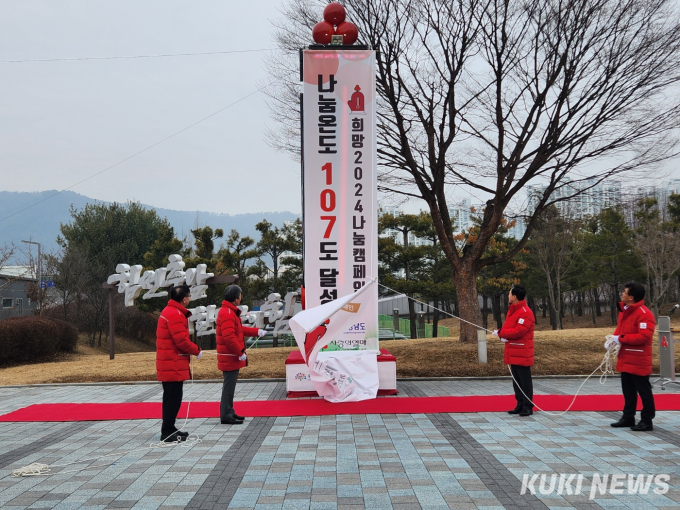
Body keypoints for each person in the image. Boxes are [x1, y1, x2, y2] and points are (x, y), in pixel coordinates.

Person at [156, 284, 202, 442]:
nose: (189, 299)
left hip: (171, 362)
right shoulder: (175, 314)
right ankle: (167, 432)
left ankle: (170, 428)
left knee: (172, 398)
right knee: (172, 399)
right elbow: (181, 340)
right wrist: (197, 350)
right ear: (184, 299)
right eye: (189, 296)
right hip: (172, 363)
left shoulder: (171, 311)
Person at [608, 283, 656, 431]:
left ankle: (647, 420)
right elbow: (620, 329)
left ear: (631, 297)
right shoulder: (625, 311)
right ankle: (628, 417)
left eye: (624, 292)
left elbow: (644, 337)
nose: (622, 294)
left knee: (644, 390)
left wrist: (620, 338)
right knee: (628, 390)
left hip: (639, 359)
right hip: (626, 356)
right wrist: (612, 340)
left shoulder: (644, 314)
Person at [216, 285, 265, 425]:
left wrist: (256, 332)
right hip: (230, 356)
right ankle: (226, 414)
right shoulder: (227, 313)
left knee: (230, 386)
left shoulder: (230, 312)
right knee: (228, 386)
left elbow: (239, 330)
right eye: (240, 295)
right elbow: (229, 337)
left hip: (231, 356)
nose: (240, 298)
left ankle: (229, 411)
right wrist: (240, 352)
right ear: (236, 297)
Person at [493, 285, 535, 417]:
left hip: (522, 351)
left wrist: (501, 333)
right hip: (513, 350)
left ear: (515, 297)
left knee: (525, 381)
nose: (508, 296)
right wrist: (504, 336)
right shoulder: (512, 310)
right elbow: (510, 329)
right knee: (516, 380)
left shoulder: (525, 312)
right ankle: (520, 404)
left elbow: (519, 331)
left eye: (510, 294)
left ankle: (528, 406)